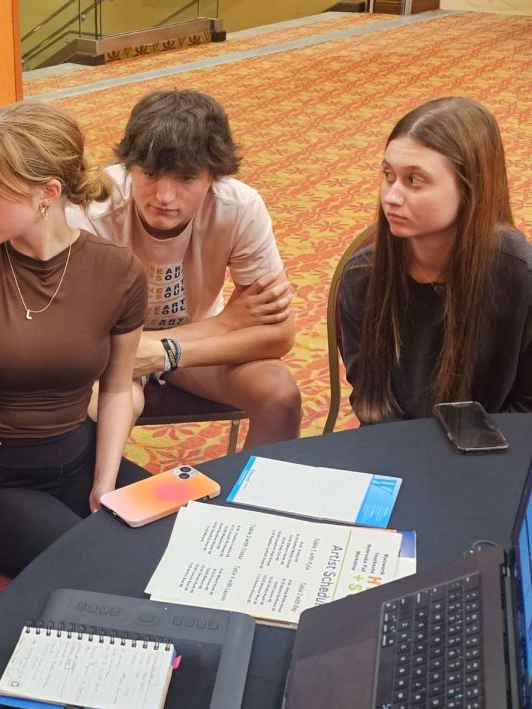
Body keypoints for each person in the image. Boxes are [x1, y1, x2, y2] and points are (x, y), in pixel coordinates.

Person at [0, 102, 150, 578]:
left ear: (48, 193)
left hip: (79, 459)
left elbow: (118, 388)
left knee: (182, 535)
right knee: (97, 568)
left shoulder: (119, 272)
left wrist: (104, 483)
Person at [68, 89, 301, 447]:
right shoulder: (92, 209)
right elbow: (72, 338)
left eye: (186, 178)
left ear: (214, 176)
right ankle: (93, 501)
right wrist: (224, 324)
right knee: (100, 412)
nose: (164, 196)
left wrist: (164, 351)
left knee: (279, 394)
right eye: (149, 173)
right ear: (129, 165)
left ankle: (254, 503)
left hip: (195, 350)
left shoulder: (238, 207)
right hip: (108, 356)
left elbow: (279, 335)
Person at [338, 96, 532, 423]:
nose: (391, 196)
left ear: (470, 189)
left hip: (500, 454)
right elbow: (372, 404)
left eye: (414, 180)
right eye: (388, 175)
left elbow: (526, 410)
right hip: (398, 447)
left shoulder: (519, 277)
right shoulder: (363, 276)